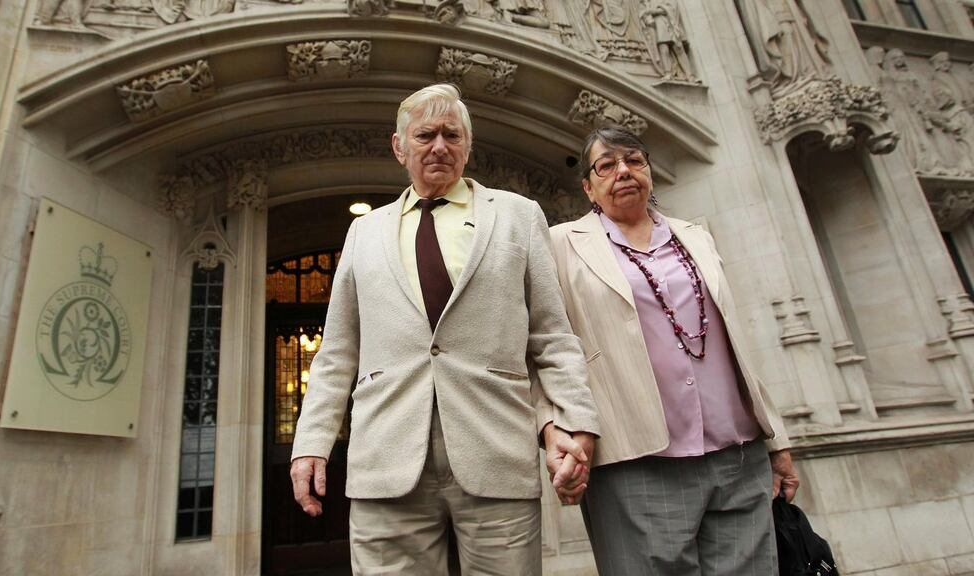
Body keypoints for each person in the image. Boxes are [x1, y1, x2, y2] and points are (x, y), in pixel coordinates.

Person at [289, 84, 599, 576]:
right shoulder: (363, 232)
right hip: (385, 458)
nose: (439, 146)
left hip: (496, 450)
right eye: (425, 134)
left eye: (452, 135)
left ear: (468, 145)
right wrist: (311, 443)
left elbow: (552, 337)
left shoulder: (519, 216)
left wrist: (575, 423)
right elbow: (337, 354)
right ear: (399, 147)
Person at [546, 124, 800, 575]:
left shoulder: (695, 236)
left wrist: (776, 441)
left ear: (649, 173)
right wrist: (556, 427)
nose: (623, 171)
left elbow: (734, 342)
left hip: (736, 451)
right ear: (588, 186)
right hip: (638, 459)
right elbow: (546, 345)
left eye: (634, 161)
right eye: (607, 165)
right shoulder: (561, 244)